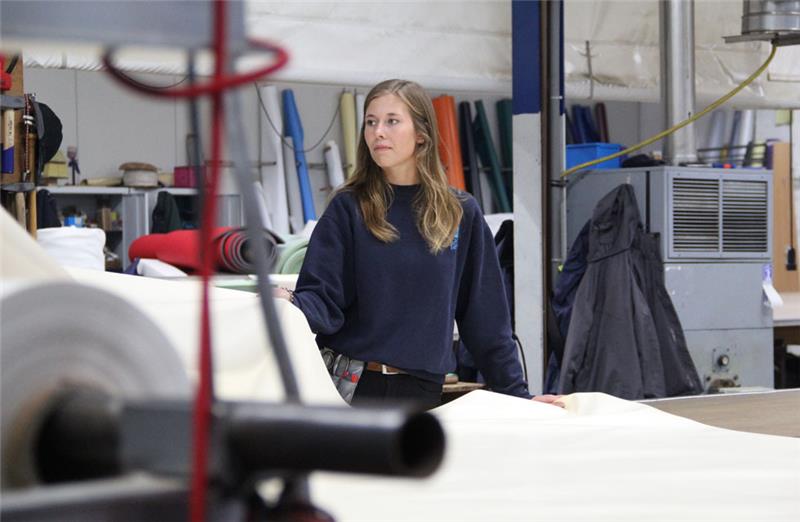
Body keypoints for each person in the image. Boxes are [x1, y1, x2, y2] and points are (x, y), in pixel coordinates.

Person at [276, 79, 561, 409]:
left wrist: (519, 396)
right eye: (371, 122)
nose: (378, 132)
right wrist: (290, 302)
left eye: (392, 121)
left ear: (422, 134)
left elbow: (486, 320)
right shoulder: (348, 208)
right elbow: (324, 299)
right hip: (351, 385)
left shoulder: (459, 213)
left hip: (422, 391)